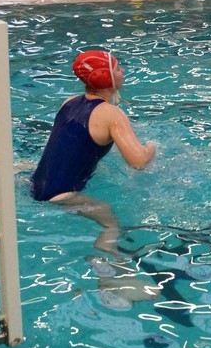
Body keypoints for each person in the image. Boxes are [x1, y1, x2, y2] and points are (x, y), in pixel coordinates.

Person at [31, 50, 156, 255]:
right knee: (109, 218)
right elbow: (138, 162)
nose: (123, 71)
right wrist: (152, 147)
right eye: (117, 68)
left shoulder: (69, 102)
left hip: (34, 185)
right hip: (62, 195)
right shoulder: (112, 114)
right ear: (105, 77)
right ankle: (106, 245)